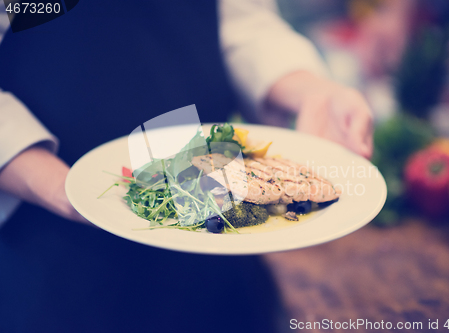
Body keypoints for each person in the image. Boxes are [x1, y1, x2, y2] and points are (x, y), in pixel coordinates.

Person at [0, 1, 373, 332]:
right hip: (56, 256)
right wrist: (68, 188)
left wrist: (314, 92)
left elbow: (243, 23)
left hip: (220, 243)